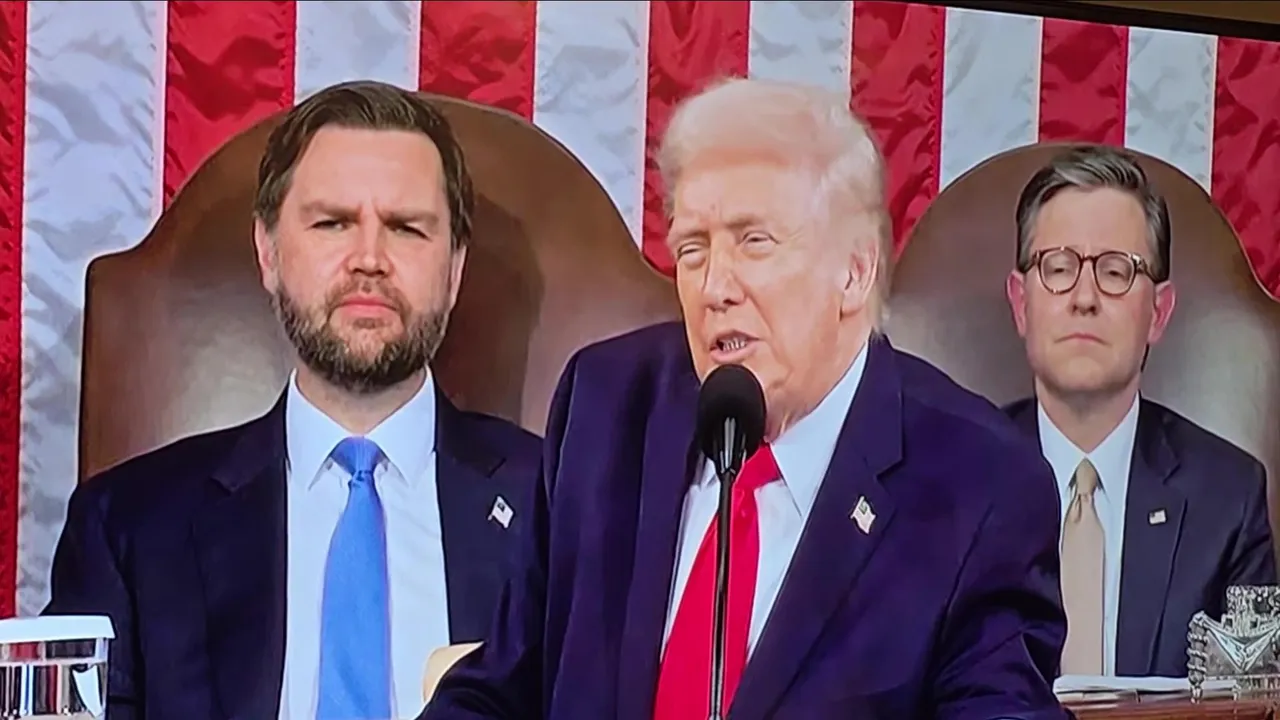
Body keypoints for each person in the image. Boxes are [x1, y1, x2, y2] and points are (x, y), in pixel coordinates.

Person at [422, 78, 1067, 719]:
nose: (714, 288)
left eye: (754, 242)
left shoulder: (979, 484)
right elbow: (502, 684)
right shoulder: (607, 407)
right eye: (692, 249)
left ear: (854, 271)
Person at [43, 80, 542, 720]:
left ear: (455, 270)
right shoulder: (127, 528)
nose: (369, 259)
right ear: (269, 253)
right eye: (333, 223)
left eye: (406, 228)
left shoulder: (558, 508)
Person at [1002, 144, 1275, 678]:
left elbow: (1250, 704)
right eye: (1058, 268)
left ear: (1159, 312)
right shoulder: (950, 481)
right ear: (1020, 303)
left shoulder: (1228, 501)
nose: (1084, 297)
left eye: (1115, 271)